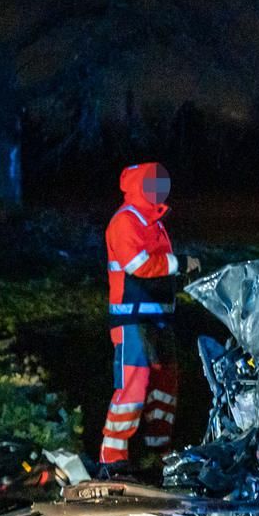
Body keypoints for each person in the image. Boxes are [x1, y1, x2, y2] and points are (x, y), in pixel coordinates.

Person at [100, 162, 198, 475]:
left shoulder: (152, 221)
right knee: (133, 387)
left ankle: (159, 455)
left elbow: (158, 268)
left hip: (157, 319)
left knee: (164, 384)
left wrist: (179, 272)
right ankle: (113, 459)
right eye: (154, 183)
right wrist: (181, 263)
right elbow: (139, 265)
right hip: (132, 320)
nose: (161, 189)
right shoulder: (126, 221)